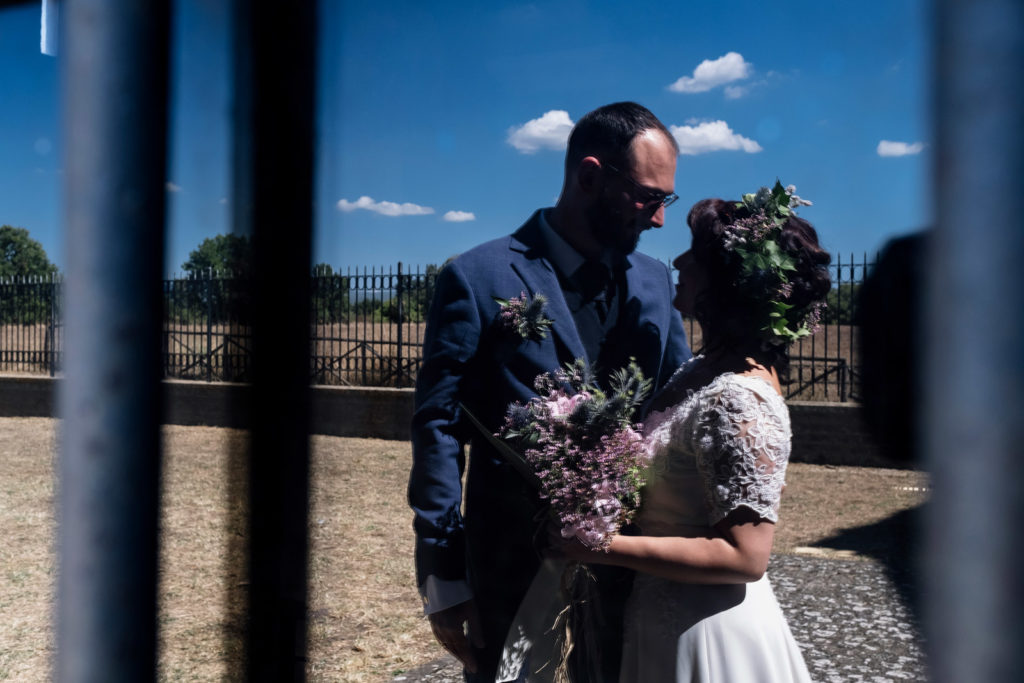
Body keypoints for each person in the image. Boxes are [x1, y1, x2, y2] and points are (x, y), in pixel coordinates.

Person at [409, 101, 692, 682]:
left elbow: (678, 413)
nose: (659, 219)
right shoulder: (479, 276)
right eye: (648, 197)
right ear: (589, 177)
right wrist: (443, 573)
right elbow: (438, 425)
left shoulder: (658, 282)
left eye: (667, 199)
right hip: (508, 565)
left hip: (631, 566)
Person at [549, 184, 830, 682]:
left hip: (709, 634)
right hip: (658, 616)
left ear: (729, 281)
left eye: (695, 255)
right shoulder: (699, 368)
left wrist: (595, 545)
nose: (677, 260)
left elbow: (745, 557)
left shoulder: (740, 396)